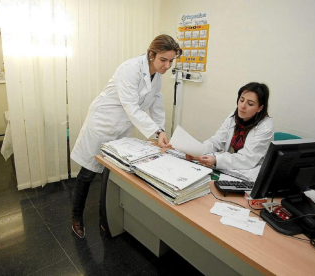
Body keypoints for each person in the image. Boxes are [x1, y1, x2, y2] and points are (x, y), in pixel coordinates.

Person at [70, 35, 182, 238]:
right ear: (151, 54)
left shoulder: (156, 75)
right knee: (87, 173)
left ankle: (106, 217)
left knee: (112, 171)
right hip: (102, 123)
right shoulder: (130, 69)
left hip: (122, 127)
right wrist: (156, 132)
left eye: (171, 61)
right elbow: (130, 105)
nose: (167, 65)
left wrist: (162, 130)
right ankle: (76, 217)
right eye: (163, 60)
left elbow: (156, 102)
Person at [192, 82, 274, 170]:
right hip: (230, 167)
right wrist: (196, 151)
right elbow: (217, 141)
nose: (242, 106)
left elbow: (247, 159)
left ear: (260, 108)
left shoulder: (265, 127)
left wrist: (217, 160)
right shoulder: (233, 117)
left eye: (250, 104)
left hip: (250, 172)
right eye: (241, 100)